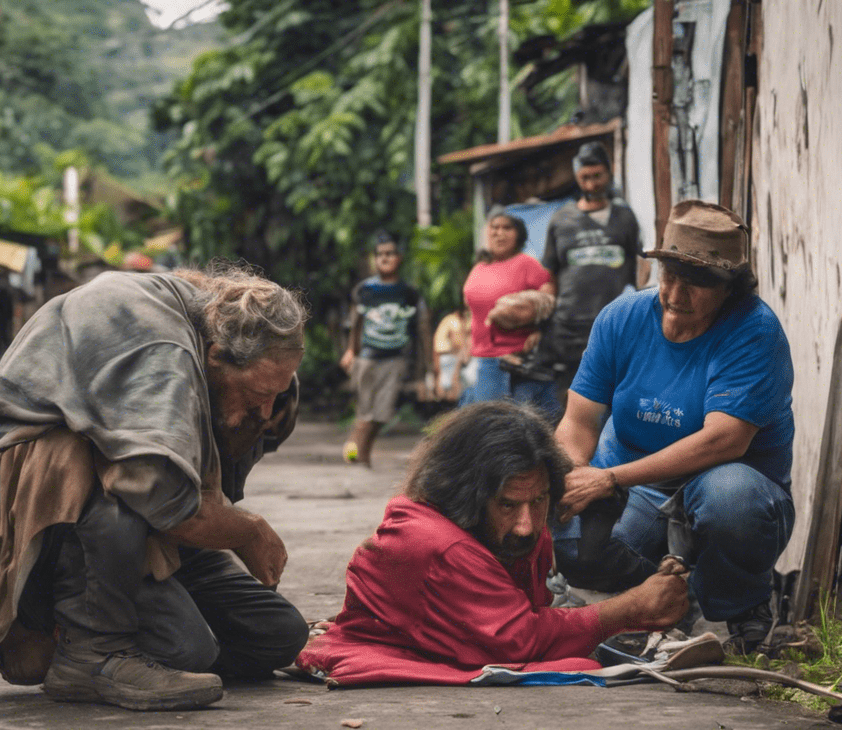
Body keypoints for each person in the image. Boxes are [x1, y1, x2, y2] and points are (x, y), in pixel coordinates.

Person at [0, 266, 311, 711]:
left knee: (277, 635)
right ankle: (91, 651)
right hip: (6, 513)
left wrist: (253, 419)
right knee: (190, 647)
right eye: (257, 393)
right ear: (217, 355)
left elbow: (197, 489)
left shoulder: (225, 347)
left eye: (274, 393)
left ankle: (152, 641)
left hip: (140, 523)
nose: (266, 407)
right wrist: (248, 530)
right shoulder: (159, 341)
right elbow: (162, 497)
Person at [295, 401, 688, 685]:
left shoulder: (507, 525)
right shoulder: (441, 545)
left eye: (539, 501)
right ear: (467, 495)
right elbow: (518, 640)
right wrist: (631, 607)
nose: (526, 525)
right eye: (507, 505)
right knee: (580, 665)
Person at [552, 200, 795, 655]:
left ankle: (743, 607)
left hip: (727, 488)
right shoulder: (621, 318)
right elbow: (577, 422)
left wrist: (609, 477)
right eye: (670, 277)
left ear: (730, 287)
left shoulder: (754, 332)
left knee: (730, 499)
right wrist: (568, 477)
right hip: (638, 493)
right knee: (570, 536)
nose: (677, 295)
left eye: (698, 283)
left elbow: (725, 439)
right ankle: (668, 600)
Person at [509, 142, 640, 406]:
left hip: (613, 327)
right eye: (585, 178)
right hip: (568, 330)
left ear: (610, 172)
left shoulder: (625, 218)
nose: (591, 184)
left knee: (616, 400)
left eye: (597, 176)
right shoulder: (562, 219)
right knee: (572, 401)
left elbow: (638, 268)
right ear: (577, 177)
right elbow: (550, 277)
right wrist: (538, 321)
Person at [339, 231, 432, 466]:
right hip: (368, 357)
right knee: (365, 411)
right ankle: (357, 456)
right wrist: (351, 351)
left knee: (383, 415)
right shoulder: (365, 290)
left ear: (399, 258)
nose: (385, 258)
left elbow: (422, 328)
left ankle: (362, 454)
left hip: (396, 359)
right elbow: (356, 323)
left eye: (390, 254)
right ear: (374, 258)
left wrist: (429, 367)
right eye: (380, 254)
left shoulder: (409, 293)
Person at [460, 208, 557, 417]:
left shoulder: (527, 264)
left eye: (507, 228)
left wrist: (540, 331)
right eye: (494, 228)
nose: (499, 233)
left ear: (519, 235)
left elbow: (550, 299)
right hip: (484, 359)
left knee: (515, 427)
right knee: (486, 428)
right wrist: (466, 340)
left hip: (518, 360)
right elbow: (471, 309)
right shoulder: (480, 267)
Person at [432, 306, 472, 402]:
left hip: (454, 356)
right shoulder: (452, 321)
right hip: (449, 356)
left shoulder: (452, 320)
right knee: (450, 388)